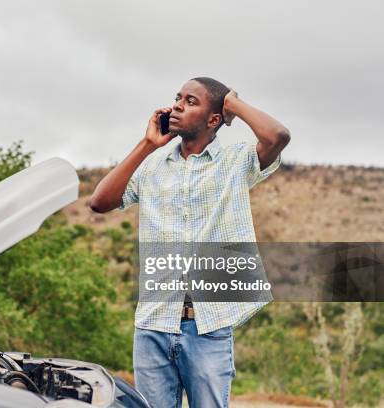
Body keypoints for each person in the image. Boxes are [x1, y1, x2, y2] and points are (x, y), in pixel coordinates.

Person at [88, 77, 291, 408]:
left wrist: (233, 104)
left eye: (191, 101)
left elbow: (277, 136)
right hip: (153, 323)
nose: (178, 105)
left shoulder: (235, 163)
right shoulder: (152, 166)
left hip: (208, 326)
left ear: (214, 120)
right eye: (177, 98)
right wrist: (147, 144)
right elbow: (99, 202)